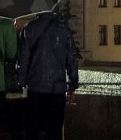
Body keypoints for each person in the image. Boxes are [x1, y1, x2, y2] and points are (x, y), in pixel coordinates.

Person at [16, 9, 79, 140]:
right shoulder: (63, 29)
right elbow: (72, 59)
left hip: (34, 88)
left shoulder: (29, 28)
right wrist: (73, 84)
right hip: (57, 89)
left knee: (31, 131)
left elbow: (23, 59)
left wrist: (21, 82)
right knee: (55, 131)